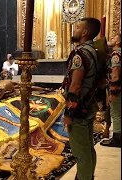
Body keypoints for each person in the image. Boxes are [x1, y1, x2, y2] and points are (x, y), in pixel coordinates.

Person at [61, 17, 102, 180]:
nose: (74, 29)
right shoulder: (94, 51)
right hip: (89, 104)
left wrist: (69, 113)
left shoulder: (80, 54)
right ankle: (87, 176)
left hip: (79, 108)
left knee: (80, 152)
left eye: (77, 27)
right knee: (88, 147)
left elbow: (76, 86)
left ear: (85, 32)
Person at [100, 34, 121, 147]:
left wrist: (113, 92)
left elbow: (116, 75)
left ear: (118, 42)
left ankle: (117, 139)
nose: (111, 38)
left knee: (116, 113)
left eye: (114, 38)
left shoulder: (116, 54)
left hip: (118, 89)